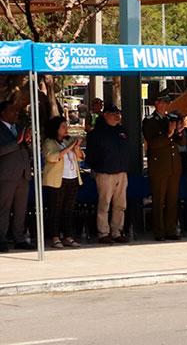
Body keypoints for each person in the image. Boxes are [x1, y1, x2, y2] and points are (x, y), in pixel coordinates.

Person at [143, 91, 186, 241]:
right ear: (156, 103)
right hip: (159, 166)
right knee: (158, 200)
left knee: (172, 200)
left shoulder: (170, 119)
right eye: (163, 102)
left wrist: (179, 133)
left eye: (167, 103)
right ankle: (159, 232)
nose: (166, 105)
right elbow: (153, 143)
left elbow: (182, 143)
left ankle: (171, 230)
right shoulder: (150, 121)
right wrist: (169, 134)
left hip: (173, 166)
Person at [86, 104, 130, 244]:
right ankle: (103, 233)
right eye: (113, 113)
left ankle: (117, 231)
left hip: (121, 173)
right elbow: (90, 155)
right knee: (104, 204)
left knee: (120, 204)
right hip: (105, 173)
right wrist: (97, 168)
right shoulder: (97, 133)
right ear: (105, 115)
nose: (117, 116)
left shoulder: (122, 131)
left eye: (118, 113)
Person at [41, 115, 83, 248]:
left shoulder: (68, 140)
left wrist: (76, 148)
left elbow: (81, 157)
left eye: (66, 126)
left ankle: (68, 236)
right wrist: (69, 147)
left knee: (69, 209)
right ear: (56, 129)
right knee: (55, 209)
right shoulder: (49, 142)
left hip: (72, 178)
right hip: (56, 180)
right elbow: (52, 157)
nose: (66, 129)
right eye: (63, 127)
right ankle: (55, 237)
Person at [0, 101, 34, 252]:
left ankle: (19, 238)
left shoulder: (19, 128)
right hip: (6, 175)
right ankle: (1, 238)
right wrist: (17, 142)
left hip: (23, 174)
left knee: (21, 209)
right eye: (12, 110)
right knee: (4, 209)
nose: (16, 113)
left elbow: (26, 148)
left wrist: (27, 141)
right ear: (3, 113)